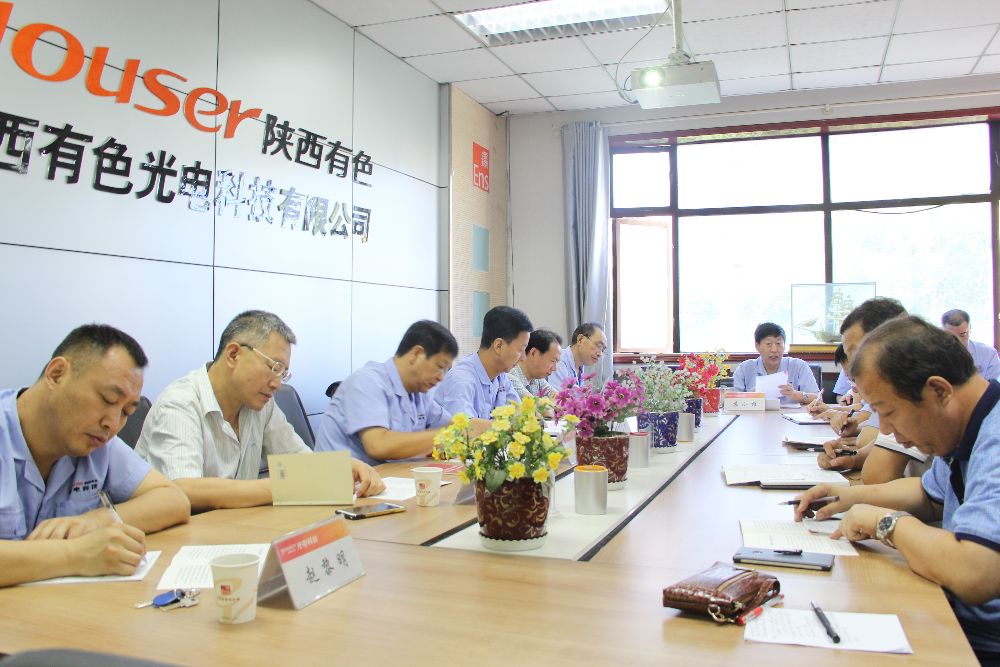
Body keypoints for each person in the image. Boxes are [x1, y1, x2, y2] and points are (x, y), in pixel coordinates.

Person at [793, 316, 1000, 664]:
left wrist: (886, 523)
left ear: (939, 391)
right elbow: (930, 497)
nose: (887, 430)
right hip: (957, 620)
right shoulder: (969, 424)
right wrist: (849, 497)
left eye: (888, 412)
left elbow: (976, 572)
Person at [136, 310, 383, 512]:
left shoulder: (260, 404)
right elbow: (184, 489)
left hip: (235, 529)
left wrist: (340, 467)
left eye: (283, 373)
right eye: (274, 367)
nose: (277, 384)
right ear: (233, 354)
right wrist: (284, 486)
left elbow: (298, 460)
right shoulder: (179, 402)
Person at [0, 325, 190, 586]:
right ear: (56, 374)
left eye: (126, 412)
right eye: (108, 399)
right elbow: (79, 554)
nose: (112, 423)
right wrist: (73, 554)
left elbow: (173, 500)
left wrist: (95, 521)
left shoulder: (96, 444)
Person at [315, 320, 483, 466]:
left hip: (387, 480)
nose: (441, 377)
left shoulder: (419, 393)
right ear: (416, 354)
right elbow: (378, 445)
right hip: (341, 484)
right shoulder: (367, 382)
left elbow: (453, 425)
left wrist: (491, 429)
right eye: (440, 367)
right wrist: (445, 437)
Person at [812, 297, 929, 483]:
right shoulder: (898, 389)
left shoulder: (916, 391)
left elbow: (877, 475)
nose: (853, 372)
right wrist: (851, 458)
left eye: (856, 356)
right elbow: (882, 443)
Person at [434, 306, 531, 419]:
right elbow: (465, 427)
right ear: (498, 345)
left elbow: (519, 415)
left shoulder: (501, 377)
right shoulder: (461, 379)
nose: (523, 358)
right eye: (520, 349)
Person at [731, 323, 819, 404]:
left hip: (790, 415)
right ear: (757, 346)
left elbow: (818, 398)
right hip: (756, 415)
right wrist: (750, 396)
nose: (774, 350)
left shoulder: (798, 366)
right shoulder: (744, 368)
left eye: (778, 343)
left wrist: (795, 395)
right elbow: (730, 400)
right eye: (768, 344)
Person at [942, 309, 1000, 381]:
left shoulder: (989, 354)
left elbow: (991, 386)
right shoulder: (934, 354)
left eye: (963, 334)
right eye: (952, 336)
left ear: (970, 329)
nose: (958, 341)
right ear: (942, 332)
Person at [547, 322, 607, 390]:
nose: (600, 354)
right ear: (580, 340)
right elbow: (559, 396)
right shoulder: (558, 361)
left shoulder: (580, 366)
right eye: (599, 346)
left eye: (603, 350)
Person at [509, 329, 562, 400]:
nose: (554, 368)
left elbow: (559, 399)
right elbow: (534, 404)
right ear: (533, 353)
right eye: (552, 361)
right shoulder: (510, 377)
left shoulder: (537, 379)